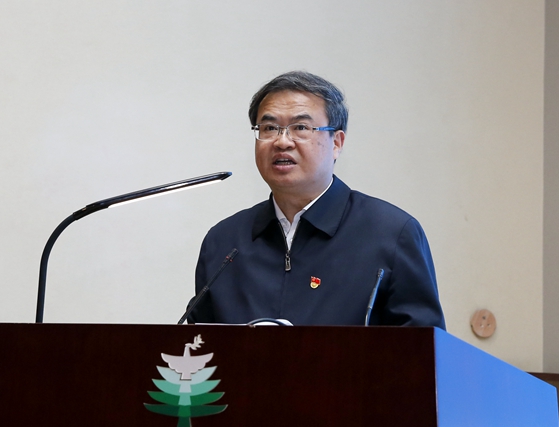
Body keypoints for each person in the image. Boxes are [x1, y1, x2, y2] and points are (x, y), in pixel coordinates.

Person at [188, 71, 445, 328]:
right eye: (269, 128)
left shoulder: (391, 234)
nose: (282, 141)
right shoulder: (224, 242)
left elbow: (425, 349)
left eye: (300, 127)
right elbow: (198, 346)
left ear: (337, 143)